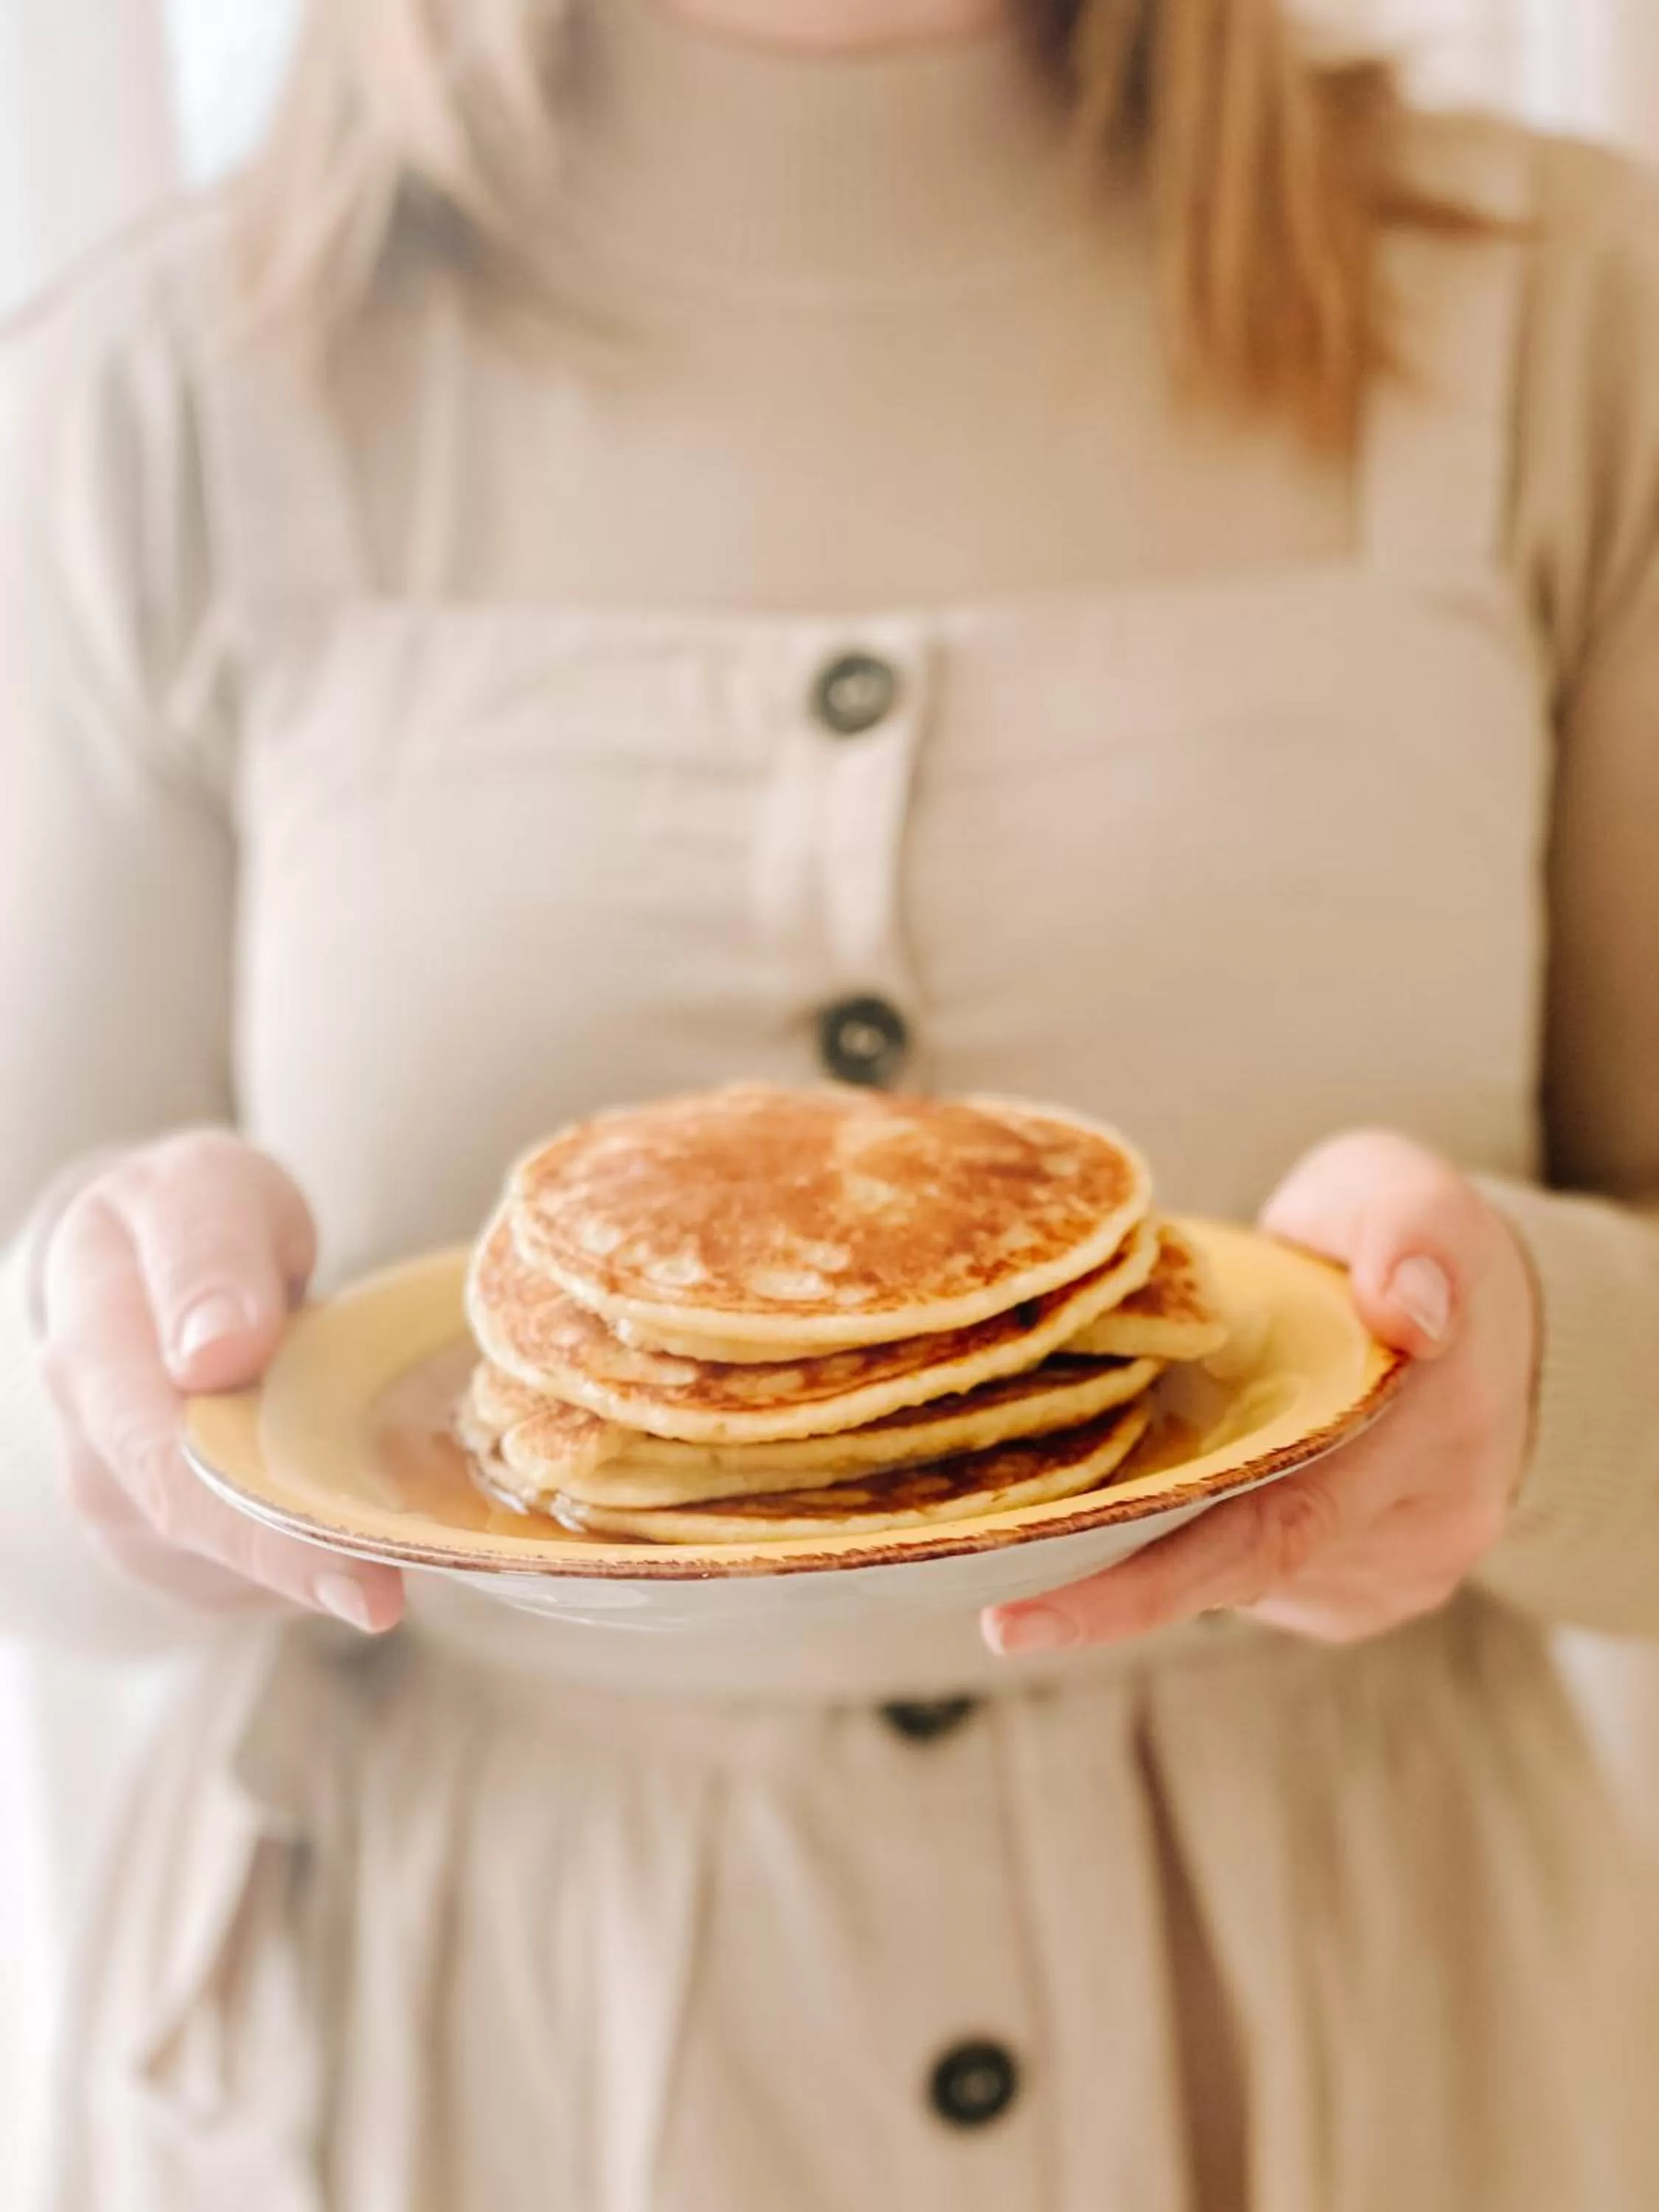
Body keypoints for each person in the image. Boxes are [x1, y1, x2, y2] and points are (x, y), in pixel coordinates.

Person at [4, 0, 1659, 2202]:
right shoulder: (162, 386)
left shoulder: (1567, 316)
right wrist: (114, 1365)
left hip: (1380, 2075)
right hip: (465, 2090)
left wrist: (1537, 1376)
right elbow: (42, 1478)